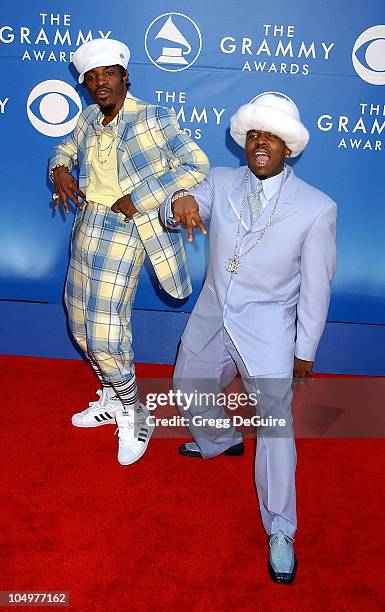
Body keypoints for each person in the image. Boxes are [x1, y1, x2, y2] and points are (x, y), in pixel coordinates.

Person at [160, 92, 337, 584]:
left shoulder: (316, 208)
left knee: (277, 429)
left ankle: (281, 529)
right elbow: (179, 208)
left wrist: (305, 350)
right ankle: (220, 441)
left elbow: (317, 288)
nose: (262, 143)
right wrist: (181, 203)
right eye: (255, 134)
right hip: (213, 314)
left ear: (289, 147)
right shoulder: (219, 180)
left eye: (272, 137)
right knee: (188, 386)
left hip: (269, 331)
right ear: (245, 140)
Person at [49, 38, 209, 466]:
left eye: (108, 74)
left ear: (124, 77)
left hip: (127, 228)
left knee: (105, 332)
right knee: (79, 320)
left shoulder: (153, 117)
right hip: (88, 224)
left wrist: (140, 197)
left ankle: (135, 410)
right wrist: (60, 168)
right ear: (85, 84)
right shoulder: (87, 120)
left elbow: (195, 164)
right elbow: (65, 147)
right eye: (92, 77)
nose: (100, 82)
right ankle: (111, 396)